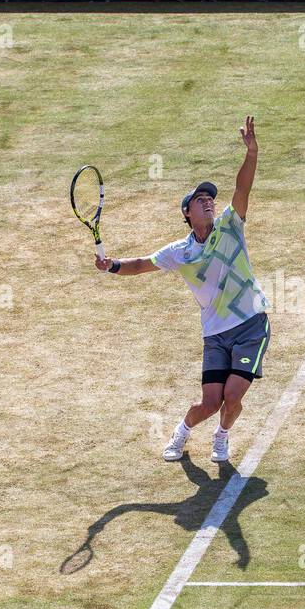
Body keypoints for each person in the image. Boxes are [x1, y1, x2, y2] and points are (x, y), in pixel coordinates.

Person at [96, 116, 269, 463]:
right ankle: (182, 431)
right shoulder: (180, 252)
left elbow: (242, 189)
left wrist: (251, 154)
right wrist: (111, 265)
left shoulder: (230, 226)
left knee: (232, 398)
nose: (208, 202)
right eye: (200, 199)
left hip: (251, 323)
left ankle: (222, 437)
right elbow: (143, 264)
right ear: (187, 213)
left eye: (210, 199)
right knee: (209, 402)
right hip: (215, 334)